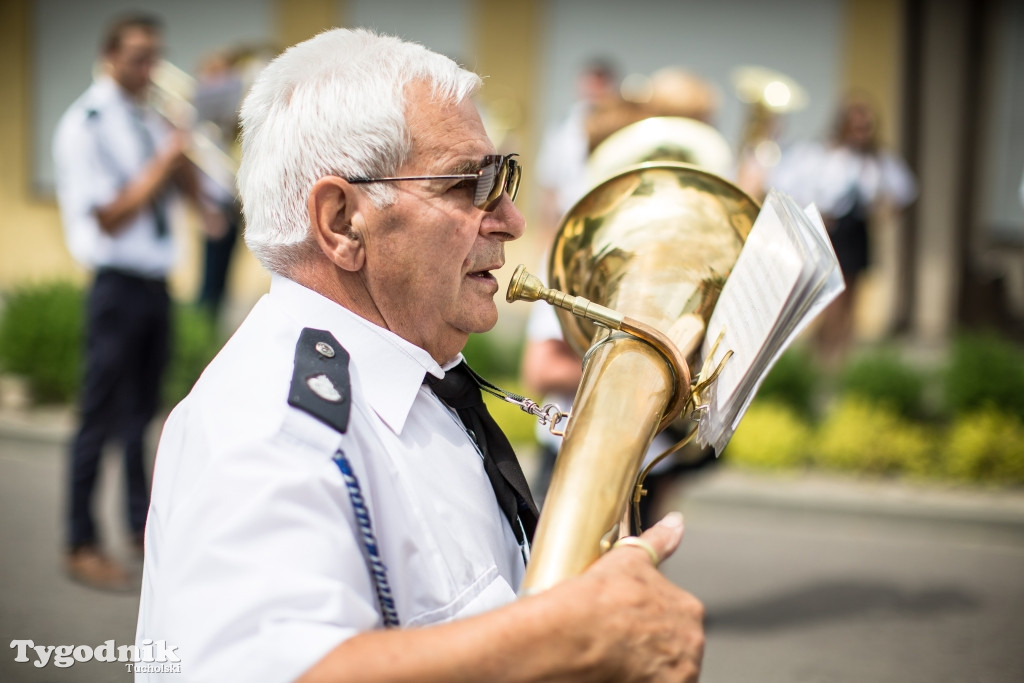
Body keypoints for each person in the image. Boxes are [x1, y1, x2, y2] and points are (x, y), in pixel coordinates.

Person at [136, 28, 705, 683]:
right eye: (472, 184)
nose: (512, 220)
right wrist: (568, 633)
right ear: (343, 220)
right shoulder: (267, 427)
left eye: (506, 177)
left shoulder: (418, 379)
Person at [53, 13, 216, 591]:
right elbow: (110, 213)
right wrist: (164, 162)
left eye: (154, 55)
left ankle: (136, 529)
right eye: (139, 56)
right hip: (115, 285)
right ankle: (79, 540)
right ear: (110, 57)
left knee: (142, 417)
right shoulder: (87, 124)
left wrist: (188, 161)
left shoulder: (150, 120)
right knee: (99, 415)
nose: (150, 68)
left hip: (154, 286)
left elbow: (192, 197)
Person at [771, 93, 917, 367]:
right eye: (857, 126)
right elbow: (794, 186)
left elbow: (903, 195)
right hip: (831, 230)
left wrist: (883, 208)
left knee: (852, 295)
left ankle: (839, 357)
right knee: (830, 296)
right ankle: (822, 355)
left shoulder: (877, 160)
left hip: (857, 230)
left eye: (866, 127)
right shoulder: (823, 155)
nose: (862, 132)